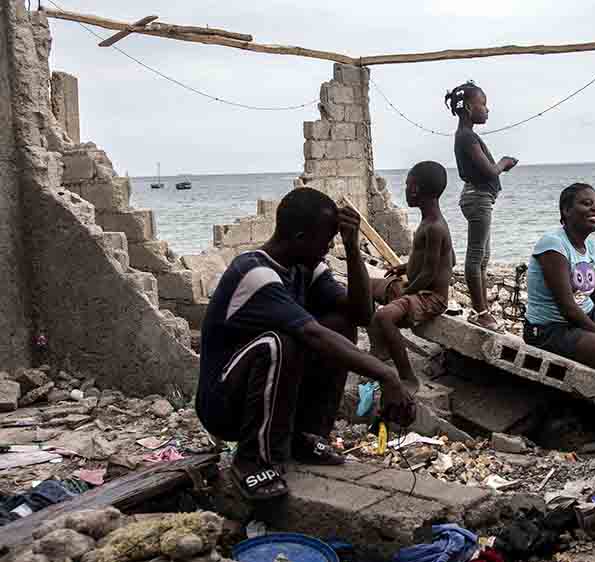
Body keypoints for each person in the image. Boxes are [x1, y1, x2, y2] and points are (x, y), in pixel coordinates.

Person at [195, 188, 415, 501]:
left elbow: (361, 313)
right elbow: (312, 334)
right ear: (300, 237)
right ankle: (252, 459)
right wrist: (388, 375)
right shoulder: (255, 273)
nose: (329, 247)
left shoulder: (304, 267)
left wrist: (353, 250)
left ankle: (306, 436)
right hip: (224, 404)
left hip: (268, 397)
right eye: (326, 239)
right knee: (281, 342)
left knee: (340, 325)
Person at [370, 161, 456, 394]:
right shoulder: (431, 222)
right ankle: (379, 350)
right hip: (416, 288)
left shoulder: (435, 227)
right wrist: (404, 267)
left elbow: (429, 274)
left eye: (408, 185)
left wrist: (406, 291)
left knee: (384, 316)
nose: (406, 190)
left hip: (430, 297)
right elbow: (447, 260)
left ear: (416, 189)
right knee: (366, 286)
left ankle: (408, 378)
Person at [523, 183, 595, 370]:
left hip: (587, 314)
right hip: (550, 329)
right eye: (586, 203)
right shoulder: (553, 244)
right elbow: (567, 308)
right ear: (567, 210)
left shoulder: (590, 245)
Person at [445, 81, 518, 331]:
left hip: (479, 198)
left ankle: (483, 310)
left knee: (483, 256)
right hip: (477, 199)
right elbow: (488, 171)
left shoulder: (466, 135)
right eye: (483, 104)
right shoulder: (467, 137)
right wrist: (504, 163)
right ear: (468, 107)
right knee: (476, 257)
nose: (487, 110)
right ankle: (481, 312)